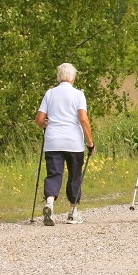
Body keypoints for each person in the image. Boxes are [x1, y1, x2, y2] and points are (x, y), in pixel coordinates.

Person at [35, 63, 94, 226]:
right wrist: (90, 143)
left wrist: (47, 125)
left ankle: (50, 204)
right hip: (73, 142)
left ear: (58, 77)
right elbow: (83, 119)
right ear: (73, 77)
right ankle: (73, 212)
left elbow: (39, 120)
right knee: (74, 175)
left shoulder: (50, 93)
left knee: (54, 174)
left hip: (53, 141)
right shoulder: (78, 95)